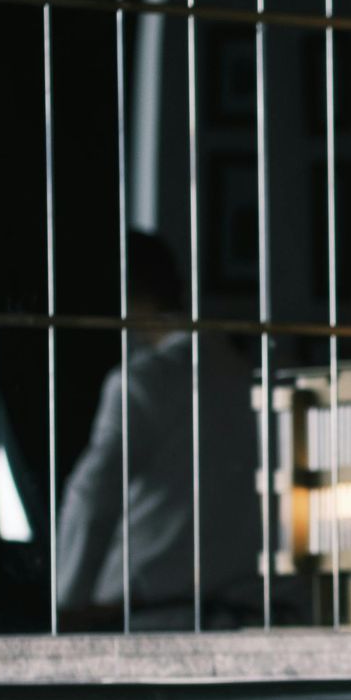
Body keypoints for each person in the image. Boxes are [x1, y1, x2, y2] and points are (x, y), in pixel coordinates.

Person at [55, 232, 263, 626]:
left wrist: (66, 602)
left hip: (148, 613)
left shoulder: (143, 381)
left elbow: (93, 493)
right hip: (240, 612)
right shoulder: (242, 374)